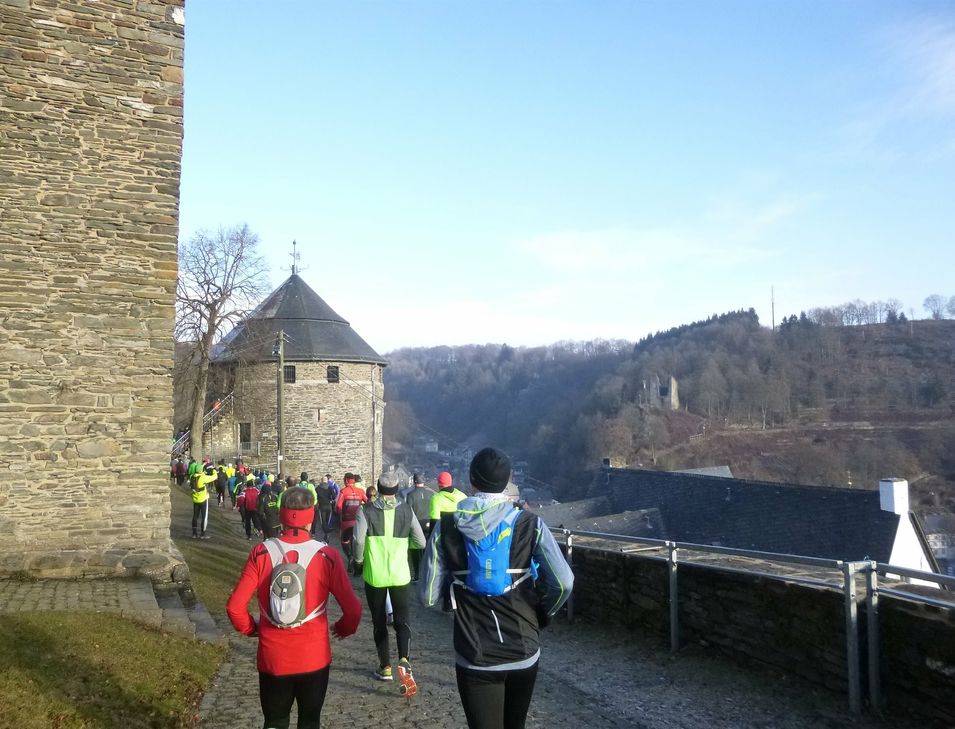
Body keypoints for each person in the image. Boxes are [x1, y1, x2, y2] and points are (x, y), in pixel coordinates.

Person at [420, 447, 574, 729]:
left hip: (474, 650)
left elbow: (428, 595)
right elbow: (564, 583)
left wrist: (453, 598)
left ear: (471, 481)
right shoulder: (530, 523)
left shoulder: (446, 527)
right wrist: (542, 612)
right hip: (523, 647)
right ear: (508, 482)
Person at [226, 487, 362, 729]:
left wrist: (251, 629)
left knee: (275, 721)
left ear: (281, 516)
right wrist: (342, 629)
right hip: (314, 656)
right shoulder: (327, 556)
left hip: (273, 656)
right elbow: (353, 610)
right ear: (311, 517)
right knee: (310, 721)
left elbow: (235, 607)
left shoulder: (260, 553)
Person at [353, 473, 426, 694]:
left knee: (379, 622)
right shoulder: (406, 510)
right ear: (396, 490)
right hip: (400, 574)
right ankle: (404, 659)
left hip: (374, 574)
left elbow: (357, 540)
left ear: (377, 487)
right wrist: (404, 546)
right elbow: (421, 541)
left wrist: (358, 560)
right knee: (402, 621)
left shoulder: (365, 510)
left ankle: (385, 667)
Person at [402, 473, 435, 581]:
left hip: (417, 524)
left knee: (415, 550)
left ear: (415, 482)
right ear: (423, 482)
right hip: (429, 523)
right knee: (427, 549)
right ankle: (427, 574)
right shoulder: (431, 494)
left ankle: (417, 575)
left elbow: (409, 511)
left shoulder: (411, 495)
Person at [335, 473, 367, 562]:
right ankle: (357, 559)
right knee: (357, 541)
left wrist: (340, 516)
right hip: (358, 521)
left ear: (345, 480)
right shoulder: (361, 491)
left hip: (346, 521)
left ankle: (350, 557)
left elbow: (338, 507)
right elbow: (368, 502)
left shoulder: (343, 491)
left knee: (345, 541)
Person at [428, 471, 466, 535]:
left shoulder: (436, 499)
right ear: (451, 482)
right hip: (461, 536)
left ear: (438, 484)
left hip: (444, 537)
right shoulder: (463, 496)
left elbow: (434, 522)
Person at [192, 464, 217, 539]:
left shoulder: (193, 476)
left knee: (195, 516)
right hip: (203, 499)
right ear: (201, 470)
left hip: (195, 499)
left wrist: (205, 472)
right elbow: (215, 477)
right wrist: (214, 471)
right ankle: (203, 534)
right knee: (204, 517)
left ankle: (194, 533)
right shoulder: (203, 478)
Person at [314, 475, 334, 540]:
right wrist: (331, 499)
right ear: (327, 481)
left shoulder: (317, 488)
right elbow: (334, 496)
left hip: (321, 506)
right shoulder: (330, 488)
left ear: (321, 481)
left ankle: (325, 534)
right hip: (329, 506)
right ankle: (326, 533)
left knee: (323, 521)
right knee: (327, 520)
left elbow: (315, 497)